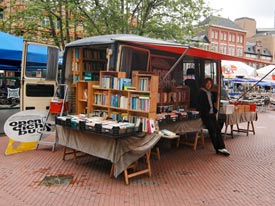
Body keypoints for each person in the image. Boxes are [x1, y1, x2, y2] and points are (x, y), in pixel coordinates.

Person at [197, 78, 230, 156]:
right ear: (204, 84)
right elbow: (199, 105)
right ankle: (217, 148)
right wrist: (205, 112)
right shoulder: (201, 92)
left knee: (218, 129)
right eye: (207, 83)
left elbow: (213, 101)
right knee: (212, 131)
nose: (209, 85)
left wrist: (215, 110)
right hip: (206, 115)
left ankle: (222, 147)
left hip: (212, 114)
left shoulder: (210, 93)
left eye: (210, 83)